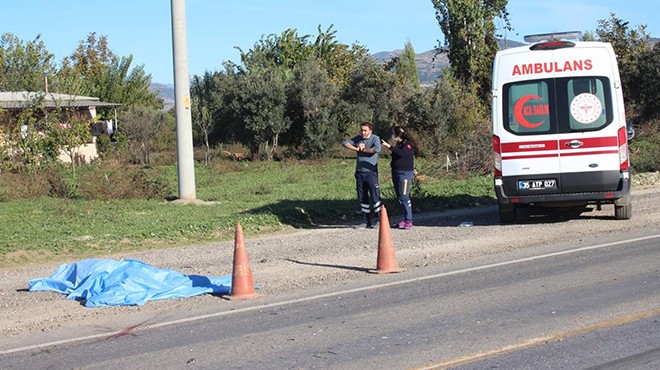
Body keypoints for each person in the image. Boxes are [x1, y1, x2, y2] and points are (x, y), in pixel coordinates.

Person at [341, 122, 382, 228]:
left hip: (371, 172)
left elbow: (376, 149)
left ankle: (379, 219)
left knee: (375, 196)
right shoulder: (358, 139)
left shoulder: (375, 138)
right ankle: (366, 220)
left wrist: (363, 149)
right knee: (362, 197)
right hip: (359, 172)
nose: (363, 132)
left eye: (365, 130)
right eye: (362, 130)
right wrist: (356, 149)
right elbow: (345, 143)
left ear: (370, 131)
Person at [381, 126, 416, 229]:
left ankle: (409, 220)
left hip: (404, 174)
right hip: (396, 172)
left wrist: (388, 146)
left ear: (398, 134)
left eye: (393, 134)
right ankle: (403, 218)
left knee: (404, 196)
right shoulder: (399, 144)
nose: (392, 136)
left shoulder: (408, 144)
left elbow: (403, 154)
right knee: (400, 197)